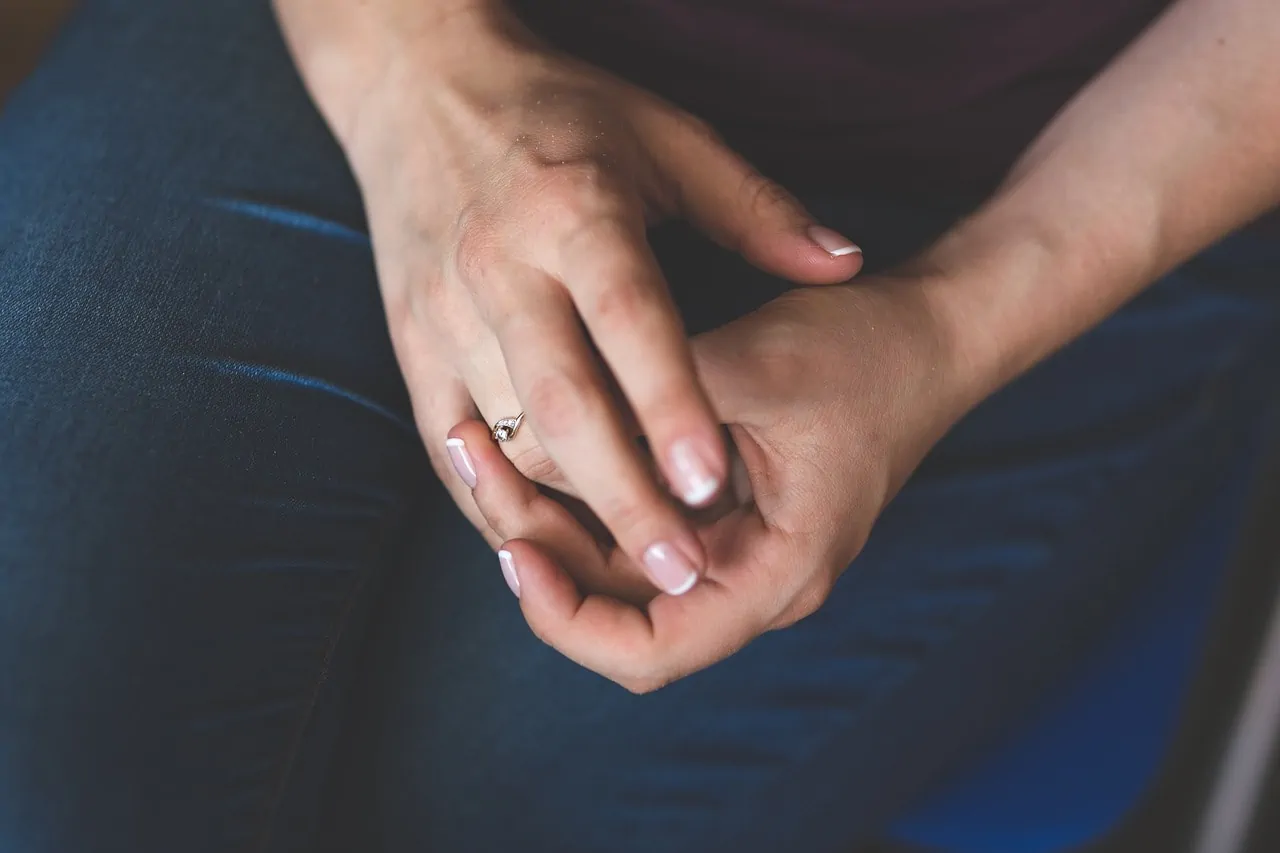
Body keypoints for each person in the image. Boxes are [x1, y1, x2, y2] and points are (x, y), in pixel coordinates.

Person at [1, 0, 1277, 850]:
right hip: (332, 34)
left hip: (1033, 181)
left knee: (473, 807)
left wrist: (944, 326)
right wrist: (411, 71)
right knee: (50, 778)